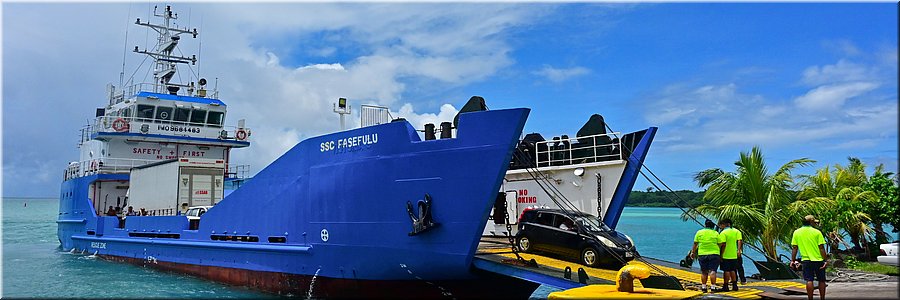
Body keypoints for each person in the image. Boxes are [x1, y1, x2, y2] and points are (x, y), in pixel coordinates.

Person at [791, 215, 828, 300]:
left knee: (809, 280)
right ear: (811, 222)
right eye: (814, 222)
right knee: (821, 280)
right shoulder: (817, 232)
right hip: (818, 259)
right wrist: (825, 260)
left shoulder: (797, 232)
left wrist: (793, 260)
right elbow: (821, 247)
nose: (815, 224)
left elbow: (795, 248)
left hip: (806, 260)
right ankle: (822, 298)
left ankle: (810, 298)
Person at [691, 219, 720, 293]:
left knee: (704, 272)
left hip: (702, 254)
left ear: (705, 225)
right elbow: (720, 243)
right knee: (713, 271)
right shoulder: (715, 233)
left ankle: (704, 287)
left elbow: (695, 243)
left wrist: (693, 252)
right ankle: (713, 287)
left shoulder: (699, 232)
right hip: (714, 254)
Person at [717, 218, 742, 292]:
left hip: (726, 254)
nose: (720, 226)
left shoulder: (723, 233)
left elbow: (723, 244)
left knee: (726, 270)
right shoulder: (736, 231)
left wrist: (721, 254)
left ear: (726, 224)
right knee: (733, 270)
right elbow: (739, 240)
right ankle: (735, 285)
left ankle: (726, 285)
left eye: (721, 224)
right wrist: (739, 250)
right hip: (734, 254)